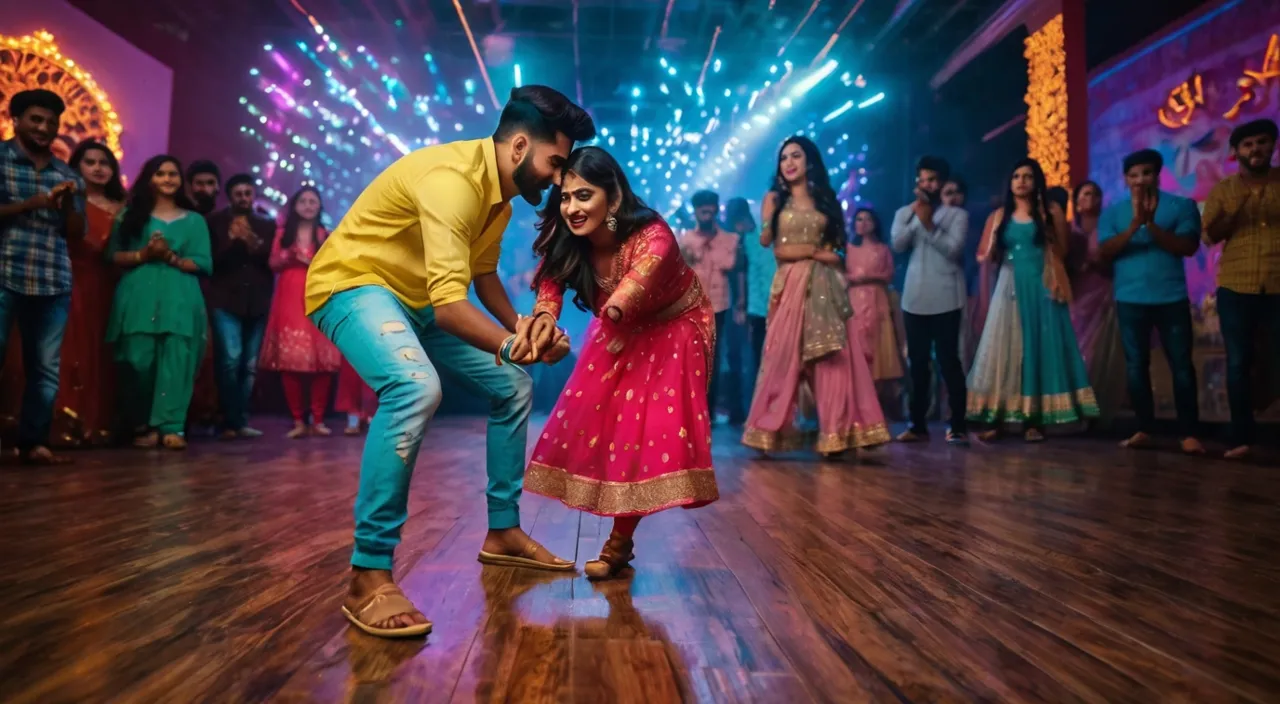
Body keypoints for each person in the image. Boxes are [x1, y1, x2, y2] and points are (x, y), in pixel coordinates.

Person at [304, 85, 595, 638]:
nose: (559, 181)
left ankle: (504, 532)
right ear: (517, 147)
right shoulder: (452, 183)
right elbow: (450, 304)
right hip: (352, 285)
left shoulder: (499, 202)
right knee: (416, 387)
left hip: (414, 305)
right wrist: (517, 346)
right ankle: (368, 574)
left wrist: (524, 330)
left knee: (511, 385)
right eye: (555, 164)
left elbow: (481, 277)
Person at [521, 146, 719, 580]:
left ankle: (617, 544)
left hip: (675, 326)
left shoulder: (653, 233)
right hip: (620, 329)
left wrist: (611, 314)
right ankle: (620, 543)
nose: (572, 208)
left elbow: (641, 277)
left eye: (584, 196)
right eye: (566, 197)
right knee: (605, 425)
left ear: (612, 198)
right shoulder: (569, 241)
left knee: (644, 428)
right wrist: (542, 325)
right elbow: (549, 290)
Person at [742, 136, 889, 456]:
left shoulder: (826, 199)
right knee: (782, 357)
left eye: (796, 156)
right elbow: (772, 244)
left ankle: (836, 434)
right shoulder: (774, 199)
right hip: (790, 284)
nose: (789, 163)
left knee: (833, 358)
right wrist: (811, 249)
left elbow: (839, 252)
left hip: (827, 286)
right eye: (784, 158)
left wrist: (819, 254)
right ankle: (768, 430)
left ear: (810, 162)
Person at [968, 158, 1098, 440]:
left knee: (1040, 347)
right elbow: (983, 255)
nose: (1022, 181)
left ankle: (1034, 421)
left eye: (1027, 176)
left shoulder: (1050, 212)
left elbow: (1062, 251)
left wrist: (1049, 237)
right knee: (1007, 349)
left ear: (1037, 181)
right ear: (1010, 183)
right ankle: (998, 418)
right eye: (1016, 176)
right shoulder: (1000, 215)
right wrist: (990, 253)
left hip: (1042, 285)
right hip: (1010, 286)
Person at [1098, 149, 1204, 454]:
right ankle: (1144, 428)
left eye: (1145, 173)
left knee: (1182, 366)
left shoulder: (1181, 205)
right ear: (1126, 179)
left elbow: (1186, 246)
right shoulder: (1114, 213)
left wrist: (1152, 226)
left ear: (1157, 175)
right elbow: (1105, 251)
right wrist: (1134, 225)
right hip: (1130, 298)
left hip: (1171, 297)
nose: (1139, 180)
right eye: (1133, 175)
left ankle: (1189, 433)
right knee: (1136, 366)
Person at [0, 89, 86, 465]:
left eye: (52, 122)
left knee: (45, 367)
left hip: (52, 278)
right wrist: (28, 205)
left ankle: (33, 441)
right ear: (15, 119)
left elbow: (77, 232)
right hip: (4, 271)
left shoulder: (66, 175)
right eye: (36, 119)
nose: (44, 128)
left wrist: (68, 208)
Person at [105, 155, 213, 450]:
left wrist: (169, 257)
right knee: (137, 359)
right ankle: (144, 424)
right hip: (138, 295)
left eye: (173, 174)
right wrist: (145, 255)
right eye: (160, 173)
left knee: (177, 359)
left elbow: (203, 263)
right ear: (148, 178)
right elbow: (113, 255)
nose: (167, 179)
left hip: (180, 295)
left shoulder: (194, 221)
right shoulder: (129, 216)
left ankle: (171, 426)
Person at [1201, 118, 1279, 460]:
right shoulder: (1225, 190)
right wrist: (1236, 210)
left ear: (1272, 146)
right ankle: (1241, 437)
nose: (1255, 149)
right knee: (1238, 362)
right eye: (1248, 144)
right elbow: (1208, 235)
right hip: (1236, 285)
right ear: (1236, 152)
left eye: (1262, 142)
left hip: (1278, 284)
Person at [891, 156, 969, 446]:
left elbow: (954, 249)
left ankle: (957, 424)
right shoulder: (904, 213)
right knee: (918, 364)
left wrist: (929, 225)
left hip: (947, 297)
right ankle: (917, 423)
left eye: (932, 180)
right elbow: (898, 244)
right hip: (914, 297)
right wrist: (917, 220)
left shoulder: (956, 215)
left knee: (949, 361)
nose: (926, 185)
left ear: (943, 183)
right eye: (922, 179)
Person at [55, 140, 125, 445]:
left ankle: (98, 424)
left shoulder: (126, 208)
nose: (99, 168)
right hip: (75, 281)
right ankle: (66, 422)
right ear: (76, 167)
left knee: (103, 351)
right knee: (74, 348)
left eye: (104, 163)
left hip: (113, 286)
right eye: (90, 162)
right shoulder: (68, 202)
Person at [259, 186, 342, 438]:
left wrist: (308, 262)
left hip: (317, 298)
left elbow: (335, 269)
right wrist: (288, 256)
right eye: (303, 201)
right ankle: (297, 420)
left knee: (323, 361)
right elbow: (272, 264)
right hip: (289, 298)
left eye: (312, 201)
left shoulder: (325, 235)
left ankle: (317, 420)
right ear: (294, 206)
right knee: (290, 361)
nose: (307, 205)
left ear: (319, 206)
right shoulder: (282, 234)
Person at [206, 174, 275, 440]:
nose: (244, 198)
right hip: (225, 299)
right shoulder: (215, 222)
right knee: (230, 361)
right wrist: (233, 241)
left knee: (249, 365)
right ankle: (229, 421)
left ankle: (239, 420)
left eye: (248, 193)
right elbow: (211, 261)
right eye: (239, 193)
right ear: (229, 195)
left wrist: (252, 241)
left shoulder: (266, 224)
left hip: (257, 301)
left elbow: (270, 260)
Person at [679, 190, 743, 424]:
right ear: (695, 211)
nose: (706, 211)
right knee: (690, 357)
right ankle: (690, 410)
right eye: (701, 208)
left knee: (713, 359)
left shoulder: (729, 239)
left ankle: (708, 411)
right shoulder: (685, 240)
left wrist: (741, 306)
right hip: (692, 306)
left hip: (720, 305)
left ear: (716, 209)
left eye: (710, 207)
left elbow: (733, 267)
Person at [1066, 180, 1124, 426]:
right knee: (1076, 346)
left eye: (1096, 194)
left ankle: (1096, 405)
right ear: (1077, 202)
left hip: (1102, 290)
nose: (1091, 198)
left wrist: (1098, 264)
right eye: (1086, 193)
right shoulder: (1069, 229)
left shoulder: (1109, 226)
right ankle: (1073, 404)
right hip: (1076, 294)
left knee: (1098, 349)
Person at [846, 207, 904, 408]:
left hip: (877, 299)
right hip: (854, 300)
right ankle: (858, 399)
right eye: (859, 219)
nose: (863, 223)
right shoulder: (848, 250)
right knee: (858, 345)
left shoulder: (883, 249)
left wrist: (870, 277)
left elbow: (889, 275)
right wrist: (855, 279)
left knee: (878, 346)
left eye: (868, 219)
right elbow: (841, 275)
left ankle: (875, 400)